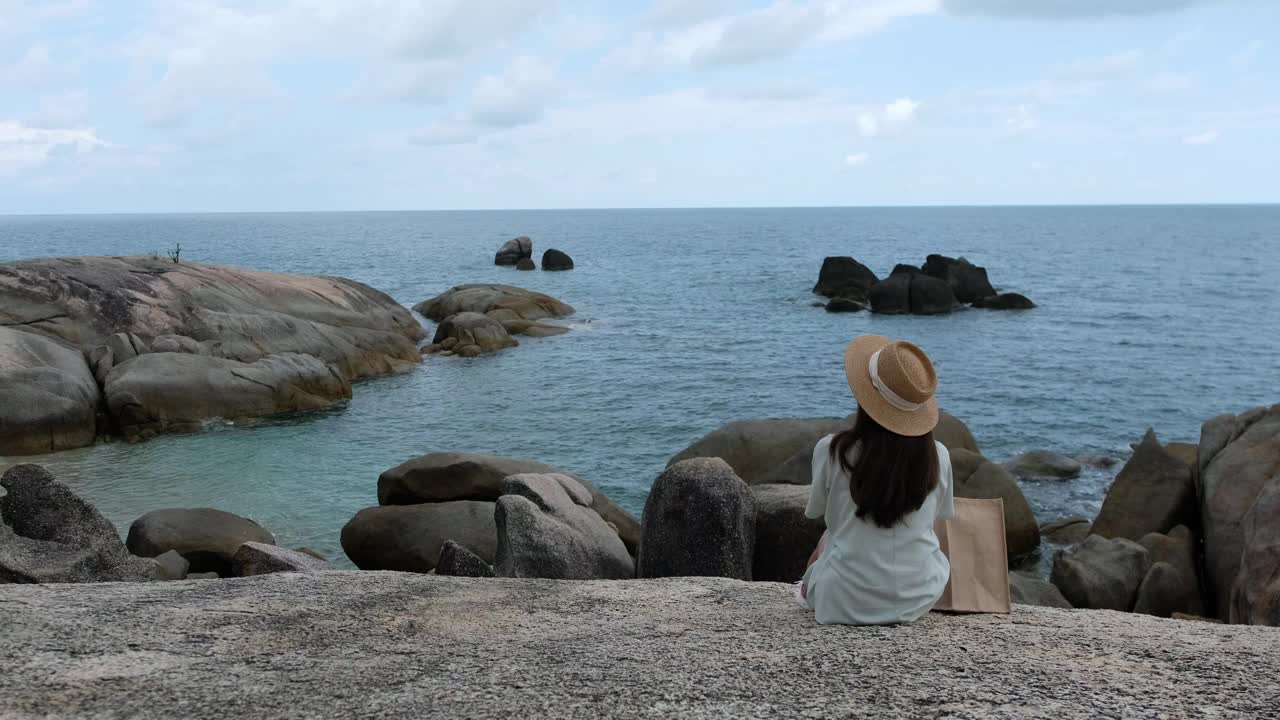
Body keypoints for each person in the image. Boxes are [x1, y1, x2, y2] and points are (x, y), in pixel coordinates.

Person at [798, 334, 955, 625]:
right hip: (918, 595)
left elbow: (817, 512)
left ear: (863, 398)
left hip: (841, 600)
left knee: (829, 536)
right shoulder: (938, 455)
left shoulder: (833, 451)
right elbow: (940, 517)